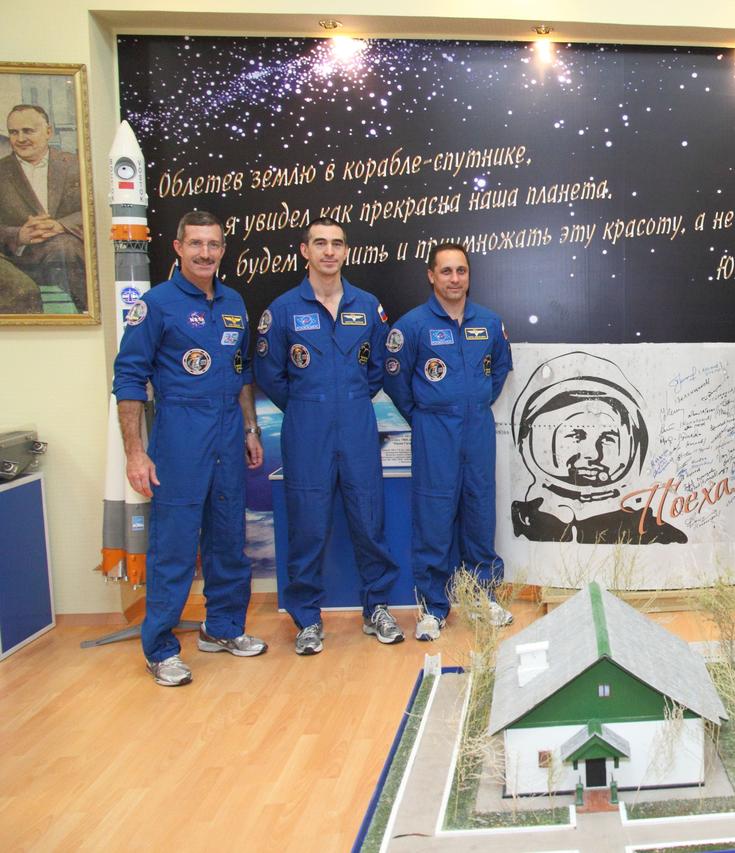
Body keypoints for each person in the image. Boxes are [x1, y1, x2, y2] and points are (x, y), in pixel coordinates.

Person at [112, 210, 267, 686]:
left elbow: (241, 371)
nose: (205, 253)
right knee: (174, 547)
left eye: (213, 244)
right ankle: (160, 649)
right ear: (178, 247)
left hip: (227, 433)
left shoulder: (234, 302)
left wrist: (249, 428)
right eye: (196, 243)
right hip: (180, 435)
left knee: (228, 541)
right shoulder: (156, 305)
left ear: (223, 250)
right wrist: (135, 453)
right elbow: (129, 379)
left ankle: (222, 628)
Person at [254, 218, 403, 655]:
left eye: (337, 243)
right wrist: (309, 404)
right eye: (320, 243)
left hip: (357, 424)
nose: (329, 251)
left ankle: (377, 608)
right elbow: (270, 373)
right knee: (307, 526)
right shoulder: (283, 310)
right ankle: (307, 619)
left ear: (346, 251)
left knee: (369, 520)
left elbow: (378, 368)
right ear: (305, 251)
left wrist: (348, 399)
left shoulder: (367, 306)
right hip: (307, 428)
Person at [383, 242, 513, 641]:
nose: (455, 279)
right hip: (434, 431)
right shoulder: (412, 326)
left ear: (468, 275)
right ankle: (433, 608)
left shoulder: (489, 322)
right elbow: (395, 380)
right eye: (446, 271)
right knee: (434, 518)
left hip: (477, 429)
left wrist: (474, 402)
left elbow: (499, 369)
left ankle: (482, 597)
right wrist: (425, 415)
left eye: (461, 271)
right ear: (431, 275)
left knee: (480, 511)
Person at [509, 351, 686, 544]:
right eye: (575, 435)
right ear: (528, 441)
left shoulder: (654, 534)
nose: (593, 454)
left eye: (608, 437)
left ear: (634, 447)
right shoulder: (519, 523)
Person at [0, 104, 86, 311]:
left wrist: (60, 225)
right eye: (14, 132)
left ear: (48, 132)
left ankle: (88, 315)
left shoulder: (78, 165)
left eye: (28, 131)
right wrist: (19, 235)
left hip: (65, 252)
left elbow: (95, 211)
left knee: (66, 248)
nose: (21, 139)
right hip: (16, 260)